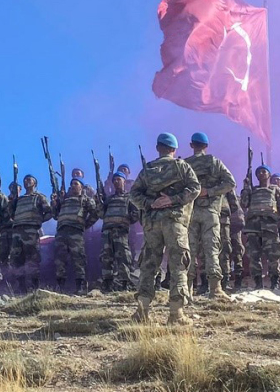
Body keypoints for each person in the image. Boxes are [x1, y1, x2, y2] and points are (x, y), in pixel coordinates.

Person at [128, 132, 201, 325]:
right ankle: (176, 315)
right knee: (178, 264)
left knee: (149, 265)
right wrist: (173, 199)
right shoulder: (182, 166)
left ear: (158, 148)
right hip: (175, 222)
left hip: (152, 224)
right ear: (174, 149)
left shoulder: (147, 170)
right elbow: (195, 188)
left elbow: (133, 194)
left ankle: (142, 312)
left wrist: (151, 203)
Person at [182, 132, 235, 298]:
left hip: (190, 213)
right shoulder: (214, 162)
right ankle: (215, 289)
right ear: (206, 146)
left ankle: (187, 290)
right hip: (210, 212)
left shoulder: (184, 164)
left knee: (189, 250)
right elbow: (230, 183)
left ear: (192, 145)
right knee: (211, 249)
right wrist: (210, 192)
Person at [242, 165, 280, 290]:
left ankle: (275, 283)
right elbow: (244, 203)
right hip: (253, 226)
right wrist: (245, 188)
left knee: (273, 255)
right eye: (259, 172)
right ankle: (258, 283)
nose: (261, 174)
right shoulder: (252, 190)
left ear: (269, 174)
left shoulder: (275, 189)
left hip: (270, 226)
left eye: (264, 171)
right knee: (253, 255)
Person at [52, 176, 99, 294]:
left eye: (76, 184)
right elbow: (55, 215)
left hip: (75, 232)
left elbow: (95, 213)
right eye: (71, 184)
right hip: (62, 232)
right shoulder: (64, 200)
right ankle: (60, 286)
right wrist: (54, 204)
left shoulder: (86, 200)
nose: (73, 186)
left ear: (81, 186)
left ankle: (81, 286)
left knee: (78, 258)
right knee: (60, 259)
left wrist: (85, 224)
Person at [9, 175, 54, 291]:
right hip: (17, 231)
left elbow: (49, 212)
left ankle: (34, 286)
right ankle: (21, 286)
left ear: (35, 183)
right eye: (24, 180)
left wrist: (38, 221)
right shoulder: (19, 199)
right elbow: (11, 214)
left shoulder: (39, 197)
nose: (26, 181)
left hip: (31, 231)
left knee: (32, 259)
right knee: (17, 259)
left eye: (29, 179)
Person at [99, 172, 139, 292]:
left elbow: (136, 214)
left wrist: (126, 221)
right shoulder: (108, 199)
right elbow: (101, 215)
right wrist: (99, 203)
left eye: (118, 180)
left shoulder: (129, 198)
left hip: (121, 232)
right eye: (114, 180)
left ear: (124, 182)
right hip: (107, 232)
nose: (116, 182)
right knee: (106, 257)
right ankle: (107, 284)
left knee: (123, 257)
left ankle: (124, 284)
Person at [218, 189, 245, 290]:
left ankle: (238, 280)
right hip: (224, 225)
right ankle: (225, 279)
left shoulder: (239, 199)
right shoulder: (222, 197)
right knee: (224, 251)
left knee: (237, 252)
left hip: (235, 227)